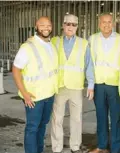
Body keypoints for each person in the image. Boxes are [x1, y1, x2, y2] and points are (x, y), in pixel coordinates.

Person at [12, 16, 58, 153]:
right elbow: (15, 70)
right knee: (32, 127)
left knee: (42, 125)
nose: (46, 28)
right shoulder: (28, 47)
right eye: (42, 25)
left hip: (49, 94)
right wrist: (25, 94)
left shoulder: (50, 44)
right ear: (36, 27)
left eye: (48, 25)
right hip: (33, 96)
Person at [51, 14, 94, 153]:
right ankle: (56, 147)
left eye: (73, 24)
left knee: (76, 119)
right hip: (59, 86)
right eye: (68, 24)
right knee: (57, 119)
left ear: (77, 27)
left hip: (76, 87)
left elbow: (89, 65)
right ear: (63, 25)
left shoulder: (84, 43)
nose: (70, 27)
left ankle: (75, 146)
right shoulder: (54, 42)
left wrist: (91, 85)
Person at [89, 13, 120, 153]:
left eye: (109, 22)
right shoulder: (92, 39)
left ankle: (116, 148)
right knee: (101, 116)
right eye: (104, 22)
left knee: (116, 118)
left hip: (115, 84)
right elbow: (90, 62)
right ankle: (102, 146)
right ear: (99, 24)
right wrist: (91, 85)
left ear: (113, 24)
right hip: (98, 84)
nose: (106, 24)